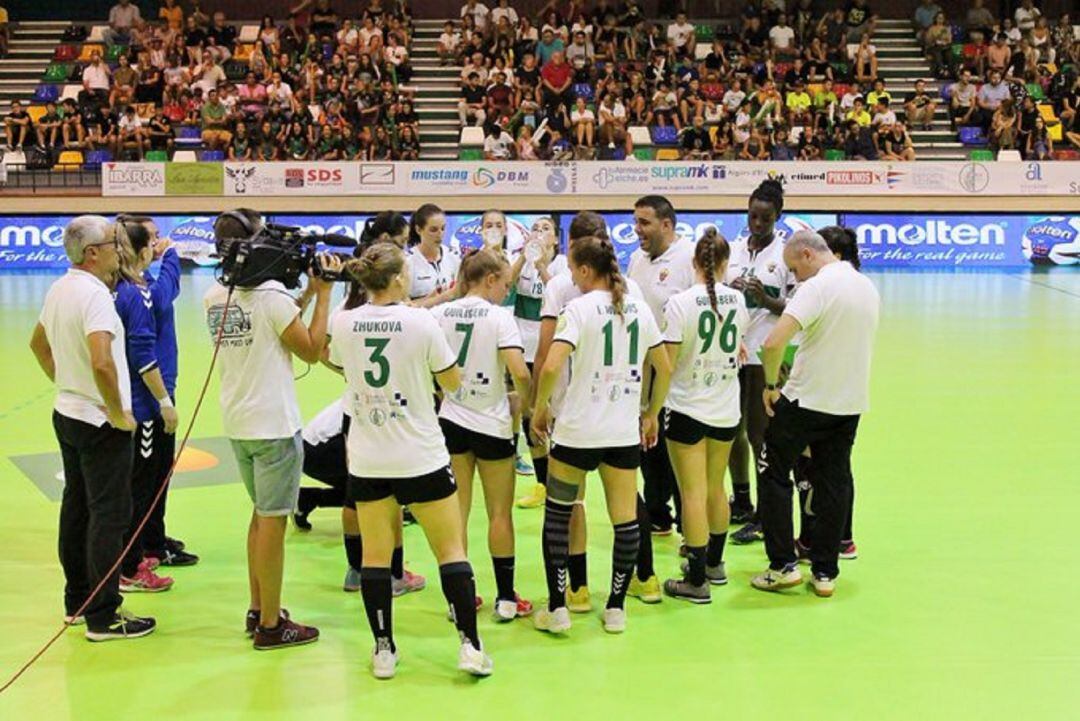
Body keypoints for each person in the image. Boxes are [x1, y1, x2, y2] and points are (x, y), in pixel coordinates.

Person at [330, 242, 492, 679]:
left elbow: (339, 365)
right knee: (451, 550)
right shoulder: (421, 322)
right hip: (420, 454)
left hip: (368, 459)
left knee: (376, 558)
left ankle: (383, 650)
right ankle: (470, 646)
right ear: (400, 278)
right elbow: (453, 382)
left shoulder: (343, 322)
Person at [204, 209, 336, 650]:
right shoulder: (273, 299)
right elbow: (313, 351)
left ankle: (259, 607)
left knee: (260, 517)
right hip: (274, 426)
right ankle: (271, 627)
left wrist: (299, 298)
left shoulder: (213, 296)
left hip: (238, 422)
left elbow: (273, 323)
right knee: (273, 525)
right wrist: (323, 295)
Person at [531, 235, 672, 635]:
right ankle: (615, 608)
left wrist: (540, 409)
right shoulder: (640, 309)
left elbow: (553, 365)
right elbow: (664, 367)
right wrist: (652, 412)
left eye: (574, 271)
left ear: (586, 270)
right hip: (621, 432)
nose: (572, 278)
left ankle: (558, 609)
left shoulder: (577, 308)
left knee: (558, 516)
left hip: (576, 432)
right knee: (624, 520)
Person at [29, 216, 156, 641]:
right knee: (109, 515)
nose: (119, 249)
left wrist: (67, 383)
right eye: (111, 242)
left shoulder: (59, 288)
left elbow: (38, 344)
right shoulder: (97, 296)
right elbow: (102, 361)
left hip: (67, 413)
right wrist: (118, 411)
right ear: (92, 253)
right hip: (100, 421)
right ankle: (104, 616)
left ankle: (77, 601)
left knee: (77, 507)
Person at [751, 231, 879, 598]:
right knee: (833, 481)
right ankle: (825, 572)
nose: (795, 278)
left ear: (807, 255)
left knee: (772, 471)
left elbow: (773, 342)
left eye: (794, 268)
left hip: (806, 400)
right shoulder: (865, 285)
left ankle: (782, 565)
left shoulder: (816, 288)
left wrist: (770, 385)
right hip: (849, 402)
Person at [433, 249, 534, 621]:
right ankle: (506, 599)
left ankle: (458, 600)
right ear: (489, 279)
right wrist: (528, 404)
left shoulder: (439, 314)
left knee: (455, 512)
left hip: (452, 423)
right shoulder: (498, 318)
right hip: (491, 425)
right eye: (505, 284)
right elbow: (520, 373)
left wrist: (446, 392)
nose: (506, 292)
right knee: (499, 514)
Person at [661, 228, 748, 604]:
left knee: (691, 493)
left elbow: (667, 363)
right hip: (726, 409)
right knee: (716, 488)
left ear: (694, 263)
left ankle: (696, 581)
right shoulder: (738, 301)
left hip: (686, 407)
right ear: (725, 265)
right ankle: (715, 563)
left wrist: (650, 408)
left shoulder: (680, 303)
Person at [111, 221, 181, 595]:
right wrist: (164, 402)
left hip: (141, 402)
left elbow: (165, 290)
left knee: (145, 482)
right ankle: (130, 567)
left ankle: (140, 553)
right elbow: (142, 354)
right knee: (140, 487)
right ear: (141, 252)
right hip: (146, 405)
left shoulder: (130, 287)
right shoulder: (136, 294)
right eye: (151, 240)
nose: (157, 244)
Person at [727, 180, 794, 542]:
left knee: (760, 435)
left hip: (764, 355)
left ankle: (767, 515)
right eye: (753, 215)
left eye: (765, 218)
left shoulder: (785, 256)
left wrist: (766, 299)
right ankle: (741, 500)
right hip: (731, 355)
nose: (757, 223)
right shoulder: (735, 250)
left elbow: (797, 306)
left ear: (777, 217)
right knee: (729, 430)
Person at [627, 195, 695, 540]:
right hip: (643, 367)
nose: (637, 229)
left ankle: (690, 523)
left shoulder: (688, 258)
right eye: (636, 221)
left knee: (679, 448)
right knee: (647, 439)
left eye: (644, 222)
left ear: (666, 225)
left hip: (679, 370)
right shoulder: (637, 259)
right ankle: (657, 514)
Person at [406, 204, 462, 308]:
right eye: (433, 230)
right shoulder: (408, 261)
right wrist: (438, 299)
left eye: (443, 228)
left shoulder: (453, 256)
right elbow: (404, 307)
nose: (440, 234)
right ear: (418, 230)